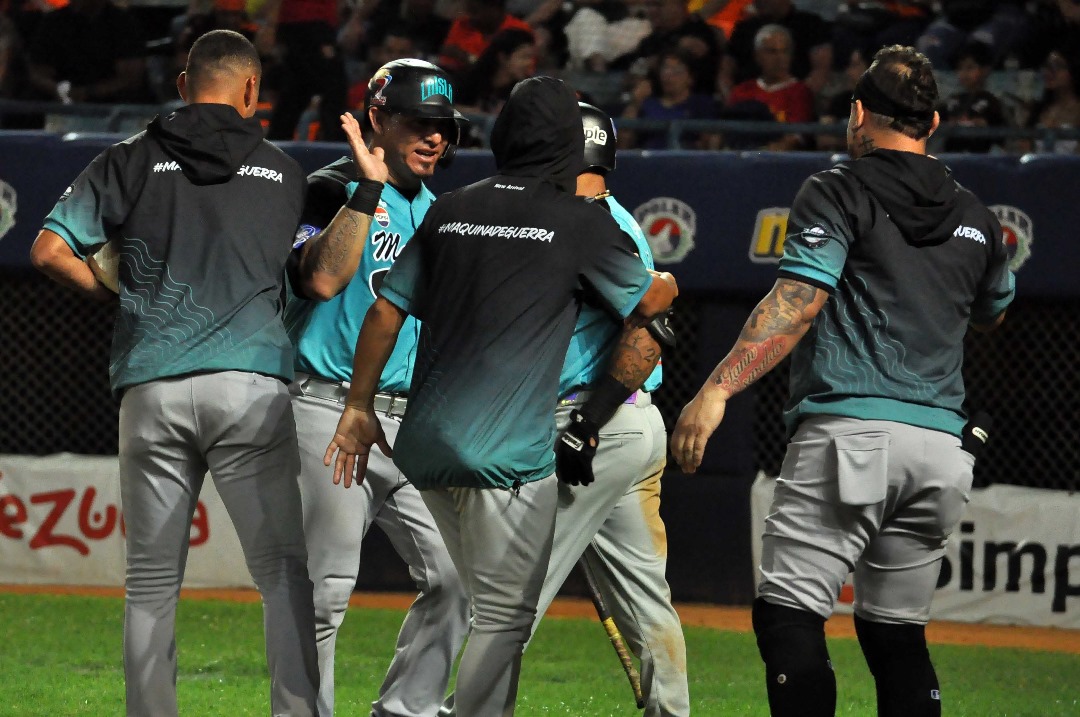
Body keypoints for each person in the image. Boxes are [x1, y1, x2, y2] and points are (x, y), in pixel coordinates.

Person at [671, 45, 1014, 717]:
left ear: (858, 113)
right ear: (933, 122)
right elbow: (994, 311)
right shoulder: (976, 213)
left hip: (851, 435)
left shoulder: (838, 188)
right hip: (941, 449)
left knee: (789, 613)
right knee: (897, 635)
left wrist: (715, 390)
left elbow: (797, 304)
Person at [324, 76, 678, 716]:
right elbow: (650, 303)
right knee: (505, 617)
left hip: (425, 452)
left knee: (486, 604)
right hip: (508, 455)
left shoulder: (450, 208)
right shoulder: (582, 221)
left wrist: (357, 406)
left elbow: (384, 312)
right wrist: (666, 284)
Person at [29, 30, 329, 716]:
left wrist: (115, 292)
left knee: (150, 583)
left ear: (183, 84)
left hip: (153, 383)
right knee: (282, 575)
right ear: (252, 91)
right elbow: (312, 278)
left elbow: (47, 251)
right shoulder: (285, 173)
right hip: (249, 387)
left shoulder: (128, 158)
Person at [283, 58, 471, 717]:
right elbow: (319, 280)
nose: (434, 137)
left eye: (444, 127)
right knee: (323, 592)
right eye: (418, 123)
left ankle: (407, 709)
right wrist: (366, 191)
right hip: (328, 407)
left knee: (458, 576)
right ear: (378, 120)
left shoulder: (440, 212)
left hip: (411, 423)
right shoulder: (326, 188)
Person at [538, 102, 690, 717]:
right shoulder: (614, 216)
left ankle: (458, 707)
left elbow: (652, 324)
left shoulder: (590, 223)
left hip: (594, 422)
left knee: (514, 584)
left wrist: (586, 425)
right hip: (632, 423)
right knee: (645, 596)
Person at [726, 24, 815, 151]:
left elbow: (795, 138)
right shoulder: (742, 91)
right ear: (757, 56)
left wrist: (760, 155)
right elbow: (727, 130)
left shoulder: (800, 92)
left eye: (784, 51)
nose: (780, 58)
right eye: (772, 52)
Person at [939, 41, 1007, 154]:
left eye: (970, 68)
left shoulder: (992, 101)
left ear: (985, 70)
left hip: (982, 158)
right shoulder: (952, 100)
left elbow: (999, 134)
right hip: (952, 158)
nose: (964, 73)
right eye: (960, 68)